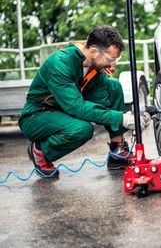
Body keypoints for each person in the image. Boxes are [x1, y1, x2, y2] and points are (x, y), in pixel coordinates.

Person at [18, 25, 151, 178]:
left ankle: (117, 151)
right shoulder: (60, 64)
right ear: (94, 51)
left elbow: (101, 105)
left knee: (113, 86)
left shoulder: (95, 71)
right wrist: (122, 118)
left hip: (62, 109)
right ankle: (40, 151)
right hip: (37, 116)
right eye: (111, 59)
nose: (113, 64)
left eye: (116, 59)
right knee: (82, 129)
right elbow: (77, 107)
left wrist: (127, 119)